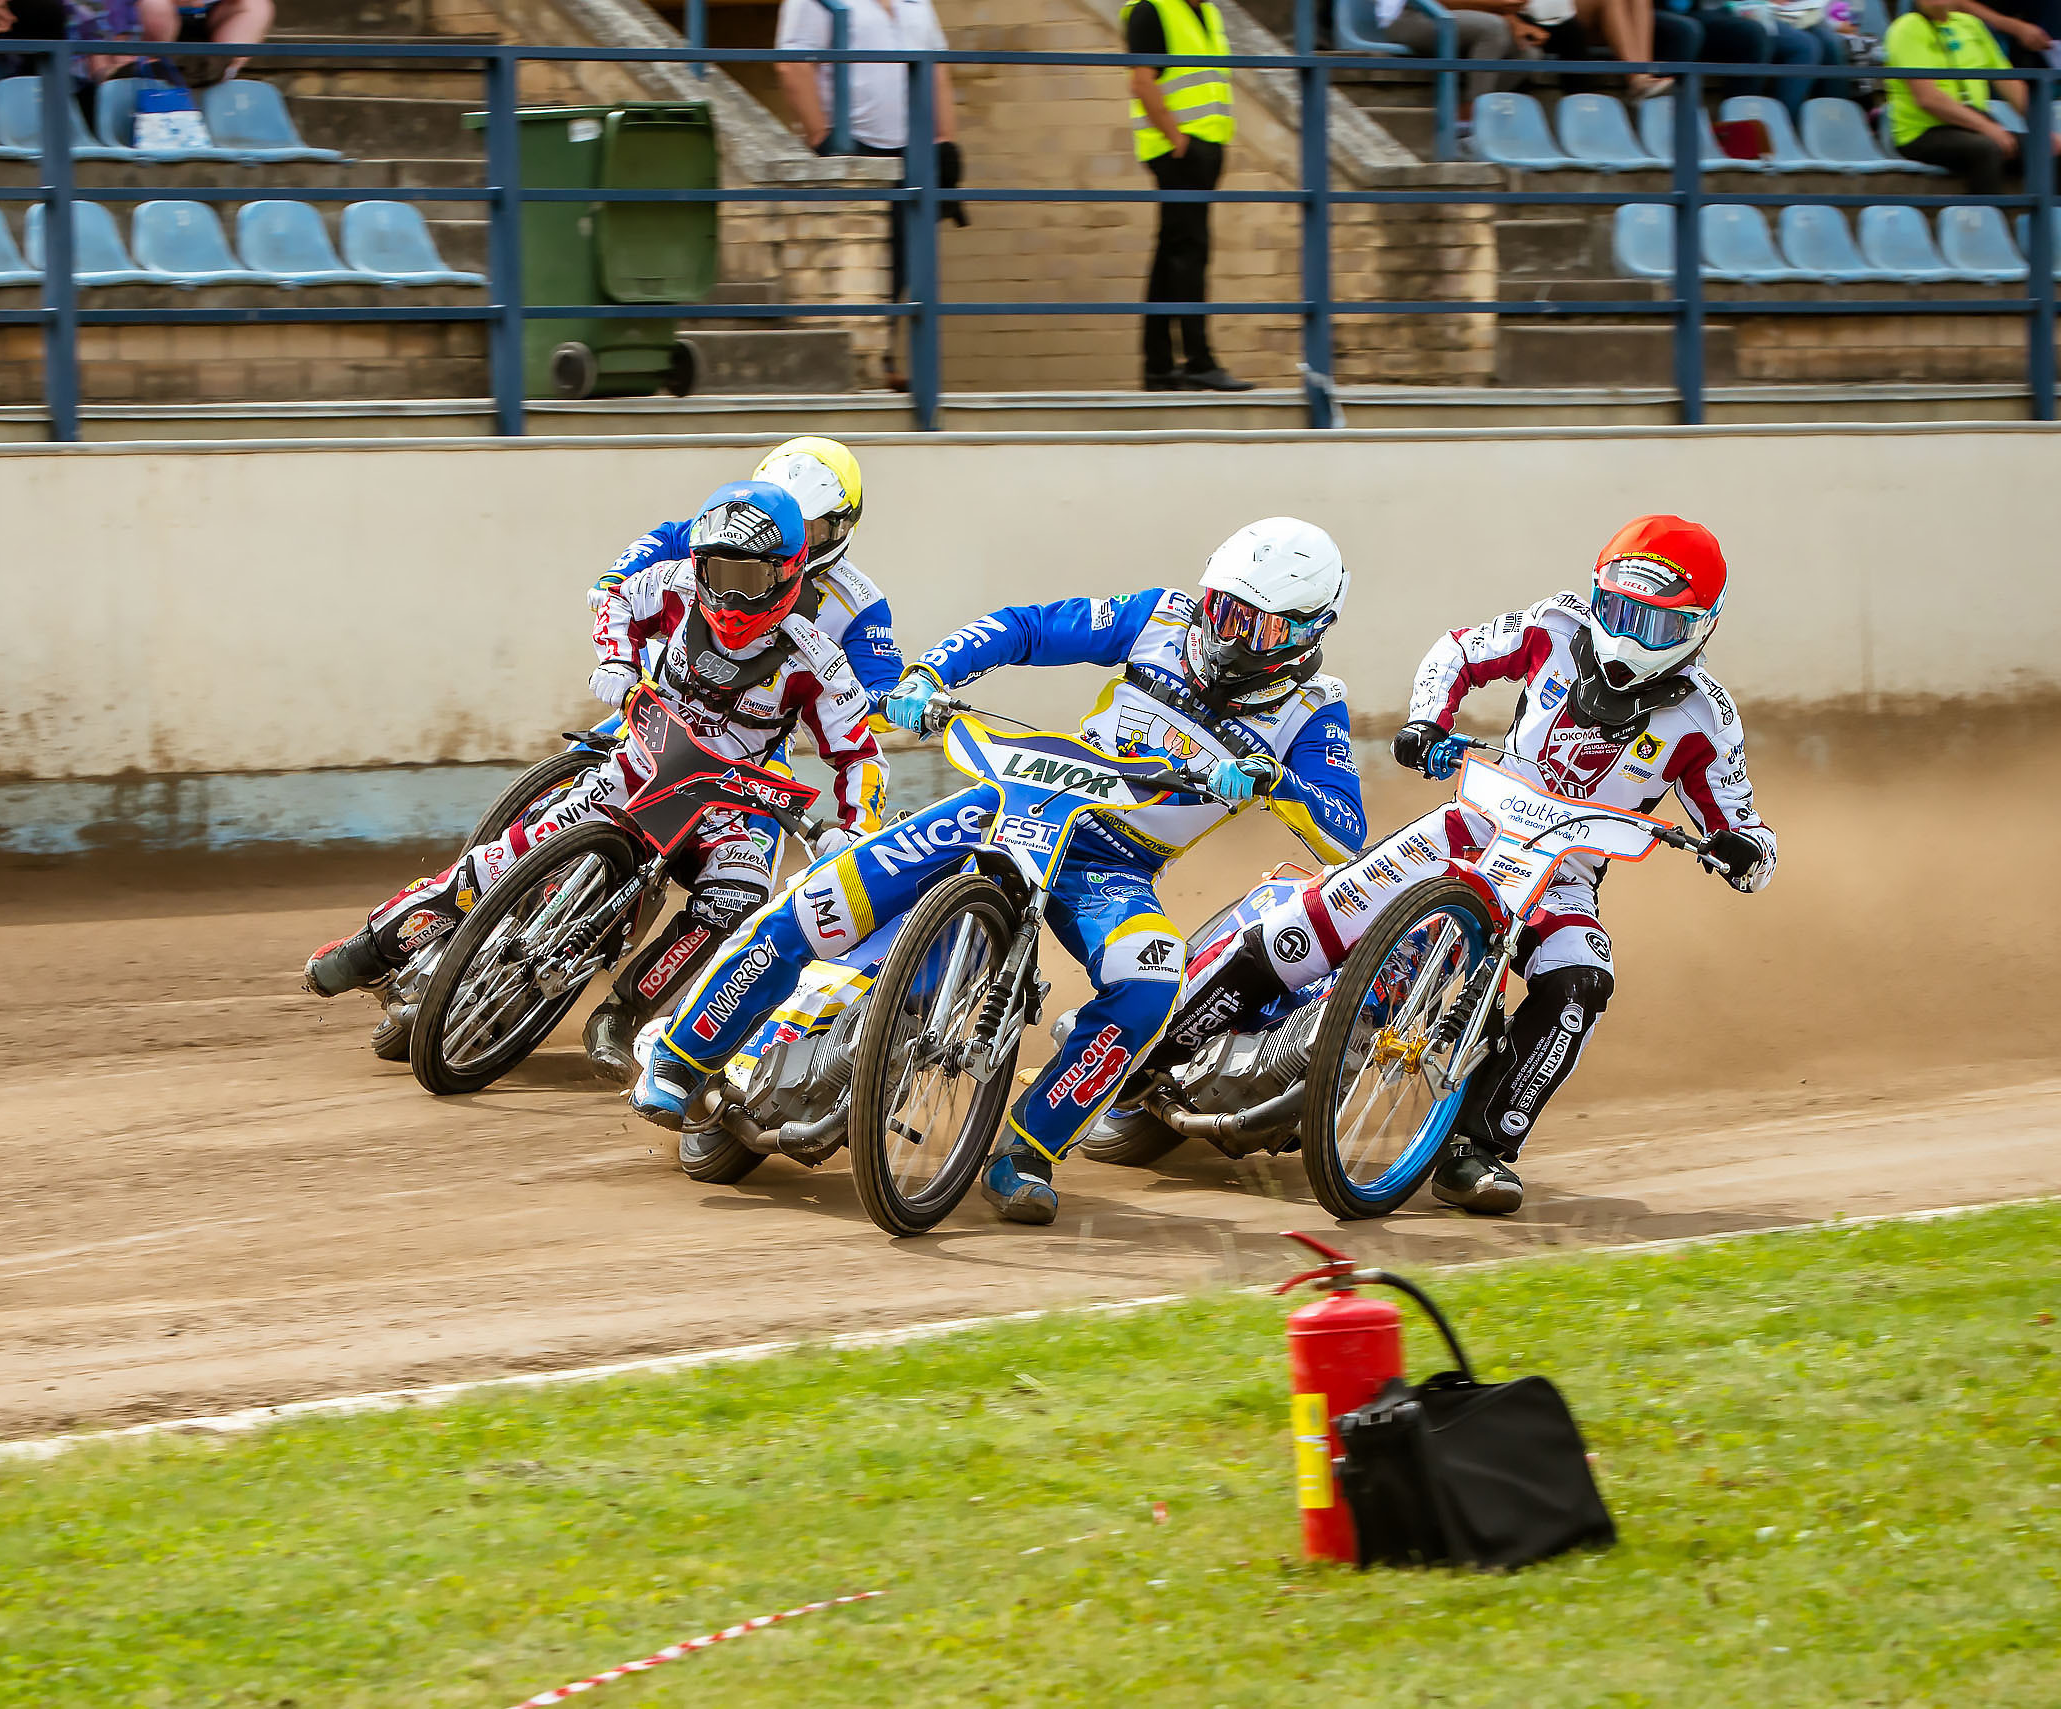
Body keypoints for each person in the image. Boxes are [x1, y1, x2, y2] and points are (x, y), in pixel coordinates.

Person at [630, 517, 1369, 1226]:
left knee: (1152, 980)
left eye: (1258, 625)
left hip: (1110, 862)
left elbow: (1345, 829)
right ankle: (681, 1054)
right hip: (1014, 797)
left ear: (1308, 631)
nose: (1227, 634)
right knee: (828, 895)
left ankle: (1029, 1150)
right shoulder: (1163, 617)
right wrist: (930, 674)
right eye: (1223, 609)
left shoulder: (1315, 711)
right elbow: (1030, 627)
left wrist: (1278, 782)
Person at [1166, 515, 1777, 1216]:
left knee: (1583, 978)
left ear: (1702, 628)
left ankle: (1475, 1148)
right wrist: (1428, 719)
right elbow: (1455, 653)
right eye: (1620, 611)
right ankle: (1152, 1044)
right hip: (1471, 825)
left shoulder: (1709, 718)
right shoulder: (1555, 624)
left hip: (1564, 876)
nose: (1630, 638)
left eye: (1657, 626)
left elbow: (1748, 830)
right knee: (1312, 918)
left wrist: (1744, 853)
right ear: (1595, 594)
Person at [303, 481, 889, 1082]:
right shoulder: (674, 587)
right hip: (642, 763)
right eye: (719, 571)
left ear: (788, 574)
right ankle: (376, 944)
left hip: (734, 807)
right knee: (512, 851)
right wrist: (617, 660)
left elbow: (861, 756)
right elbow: (616, 606)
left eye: (750, 578)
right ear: (700, 564)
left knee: (737, 911)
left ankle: (624, 1014)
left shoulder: (817, 660)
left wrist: (855, 829)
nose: (731, 596)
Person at [589, 437, 904, 707]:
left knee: (773, 774)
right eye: (779, 524)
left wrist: (894, 702)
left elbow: (882, 683)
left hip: (763, 719)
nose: (794, 539)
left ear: (843, 524)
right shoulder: (732, 539)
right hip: (676, 676)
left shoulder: (863, 603)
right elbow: (670, 537)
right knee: (600, 745)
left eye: (810, 528)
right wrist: (619, 575)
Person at [776, 0, 958, 389]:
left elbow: (936, 66)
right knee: (867, 256)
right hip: (853, 145)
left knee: (906, 257)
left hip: (914, 146)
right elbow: (793, 64)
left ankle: (884, 354)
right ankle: (869, 360)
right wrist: (822, 138)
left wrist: (946, 140)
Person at [1124, 0, 1253, 392]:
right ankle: (1198, 360)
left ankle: (1159, 366)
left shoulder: (1210, 14)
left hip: (1205, 148)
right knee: (1190, 251)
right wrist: (1178, 140)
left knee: (1171, 252)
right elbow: (1142, 81)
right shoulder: (1151, 10)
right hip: (1178, 149)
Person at [1886, 0, 2059, 193]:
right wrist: (1986, 127)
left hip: (1973, 126)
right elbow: (1929, 99)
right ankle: (1987, 218)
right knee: (1986, 148)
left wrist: (2042, 131)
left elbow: (2009, 84)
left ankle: (2048, 221)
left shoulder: (1971, 25)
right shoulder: (1905, 29)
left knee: (2051, 150)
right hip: (1923, 133)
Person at [1375, 0, 1544, 107]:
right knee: (1493, 28)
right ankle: (1473, 114)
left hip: (1456, 18)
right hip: (1408, 17)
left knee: (1528, 53)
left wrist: (1515, 22)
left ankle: (1470, 111)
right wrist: (1497, 6)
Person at [137, 0, 272, 82]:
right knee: (154, 6)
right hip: (160, 14)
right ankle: (151, 73)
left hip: (213, 15)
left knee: (256, 7)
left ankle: (220, 75)